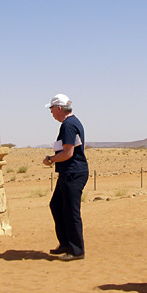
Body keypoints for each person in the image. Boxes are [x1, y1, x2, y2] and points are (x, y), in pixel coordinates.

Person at [43, 94, 89, 261]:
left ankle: (77, 250)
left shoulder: (68, 125)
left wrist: (50, 159)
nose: (51, 112)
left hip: (73, 173)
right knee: (56, 205)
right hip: (69, 173)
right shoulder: (72, 123)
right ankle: (66, 244)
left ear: (59, 108)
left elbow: (68, 153)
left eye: (52, 109)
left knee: (71, 212)